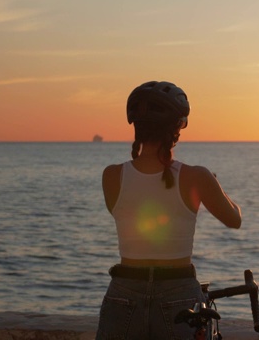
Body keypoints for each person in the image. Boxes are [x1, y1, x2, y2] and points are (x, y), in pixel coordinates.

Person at [96, 80, 242, 339]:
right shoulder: (197, 177)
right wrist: (214, 183)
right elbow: (234, 219)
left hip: (123, 293)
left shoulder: (111, 176)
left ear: (136, 127)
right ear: (176, 128)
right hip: (179, 294)